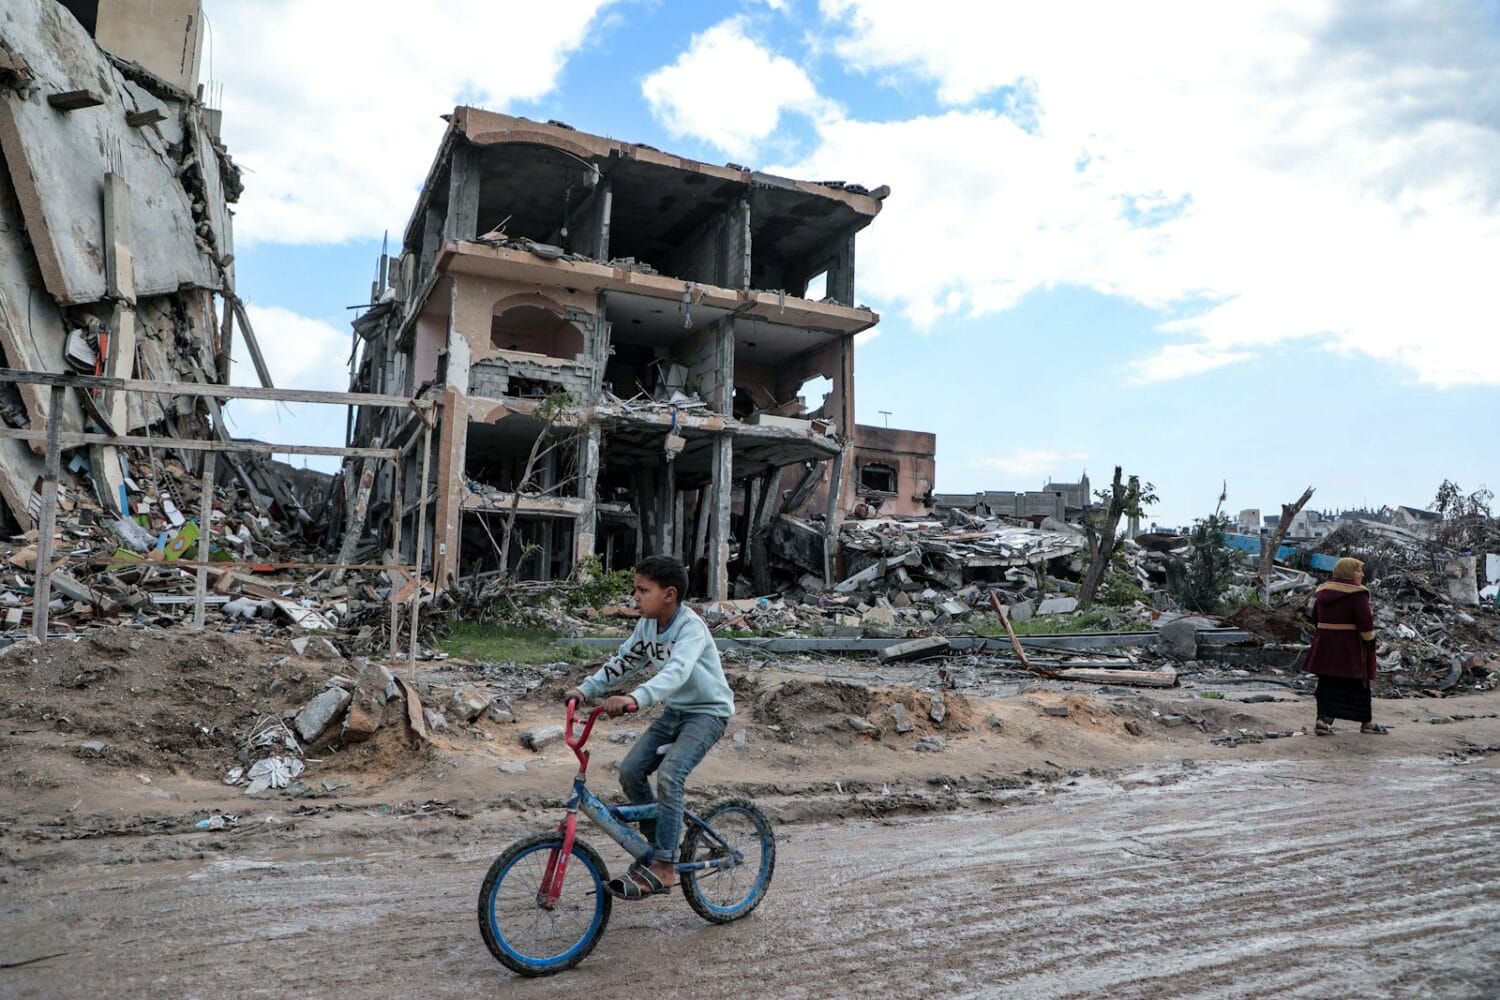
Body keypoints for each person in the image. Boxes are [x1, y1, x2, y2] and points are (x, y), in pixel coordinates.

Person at [562, 555, 734, 900]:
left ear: (669, 594)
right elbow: (623, 662)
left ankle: (666, 868)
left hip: (707, 714)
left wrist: (636, 698)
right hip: (676, 712)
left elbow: (676, 673)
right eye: (635, 590)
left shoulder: (690, 628)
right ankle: (658, 849)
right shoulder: (647, 627)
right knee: (630, 771)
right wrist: (585, 689)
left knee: (670, 775)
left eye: (643, 590)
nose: (635, 597)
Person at [1304, 557, 1388, 735]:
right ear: (1348, 573)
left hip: (1325, 646)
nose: (1362, 574)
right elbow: (1365, 621)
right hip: (1350, 647)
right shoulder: (1357, 593)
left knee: (1327, 682)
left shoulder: (1323, 592)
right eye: (1358, 571)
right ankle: (1367, 723)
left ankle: (1322, 720)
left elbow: (1315, 617)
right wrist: (1369, 640)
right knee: (1358, 682)